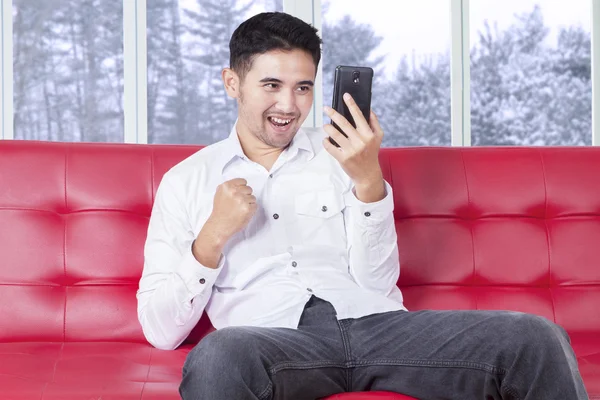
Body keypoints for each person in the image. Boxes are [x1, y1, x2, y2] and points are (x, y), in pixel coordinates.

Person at [136, 11, 589, 400]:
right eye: (271, 84)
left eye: (303, 88)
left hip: (378, 325)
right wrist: (213, 235)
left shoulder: (345, 153)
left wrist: (368, 179)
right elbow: (161, 330)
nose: (288, 105)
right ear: (232, 82)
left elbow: (376, 281)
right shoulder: (186, 181)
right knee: (217, 356)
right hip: (274, 340)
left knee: (534, 337)